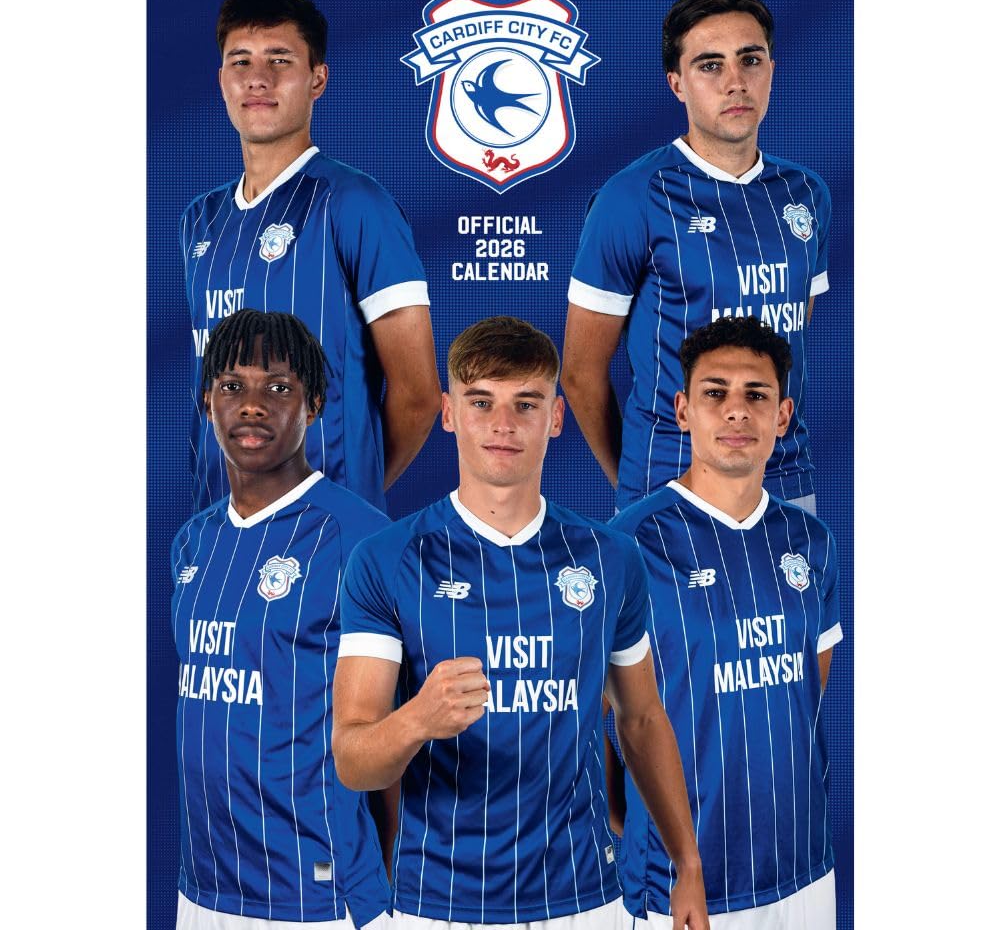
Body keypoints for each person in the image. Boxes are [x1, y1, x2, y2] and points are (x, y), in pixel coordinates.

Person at [331, 316, 710, 930]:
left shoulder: (611, 558)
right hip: (440, 903)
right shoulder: (386, 559)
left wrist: (687, 863)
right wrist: (417, 719)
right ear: (449, 413)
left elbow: (641, 719)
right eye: (481, 402)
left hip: (585, 898)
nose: (503, 424)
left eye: (526, 404)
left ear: (555, 418)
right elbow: (352, 760)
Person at [609, 315, 841, 929]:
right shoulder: (629, 545)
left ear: (782, 417)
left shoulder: (812, 541)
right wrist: (643, 837)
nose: (737, 411)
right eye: (716, 393)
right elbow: (586, 723)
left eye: (756, 395)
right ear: (683, 411)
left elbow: (806, 696)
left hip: (806, 871)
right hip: (683, 888)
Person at [562, 0, 830, 515]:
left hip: (786, 482)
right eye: (711, 65)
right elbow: (579, 371)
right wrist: (638, 482)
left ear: (771, 70)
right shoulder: (633, 196)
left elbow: (792, 337)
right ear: (677, 83)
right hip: (669, 484)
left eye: (750, 60)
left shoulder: (806, 194)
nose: (735, 82)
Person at [171, 308, 395, 930]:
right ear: (207, 401)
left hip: (316, 895)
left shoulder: (362, 540)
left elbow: (407, 737)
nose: (252, 405)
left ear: (314, 404)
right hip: (202, 886)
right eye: (232, 386)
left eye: (277, 387)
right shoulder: (193, 543)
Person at [181, 0, 440, 514]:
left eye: (279, 60)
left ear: (317, 78)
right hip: (218, 529)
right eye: (240, 61)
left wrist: (347, 502)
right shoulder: (199, 223)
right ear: (222, 79)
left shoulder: (356, 205)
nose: (258, 78)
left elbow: (418, 396)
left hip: (325, 536)